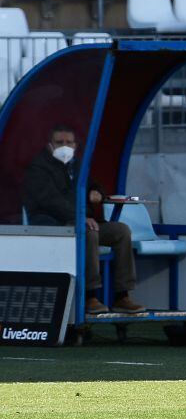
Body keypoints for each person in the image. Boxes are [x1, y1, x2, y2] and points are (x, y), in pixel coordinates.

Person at [22, 124, 144, 315]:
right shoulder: (38, 167)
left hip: (81, 221)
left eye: (69, 142)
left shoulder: (77, 165)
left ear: (76, 145)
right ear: (49, 145)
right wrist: (80, 218)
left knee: (121, 231)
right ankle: (90, 296)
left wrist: (97, 192)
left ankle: (122, 296)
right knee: (89, 233)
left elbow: (95, 185)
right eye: (59, 142)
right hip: (57, 224)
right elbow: (50, 201)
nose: (65, 146)